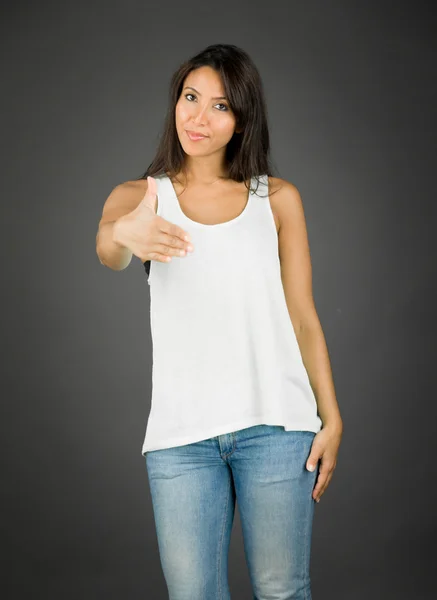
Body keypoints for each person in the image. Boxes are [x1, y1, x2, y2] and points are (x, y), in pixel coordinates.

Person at [96, 43, 343, 600]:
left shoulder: (277, 200)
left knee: (283, 590)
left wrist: (332, 418)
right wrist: (122, 236)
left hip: (278, 429)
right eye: (190, 98)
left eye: (220, 106)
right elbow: (108, 246)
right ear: (175, 101)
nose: (198, 117)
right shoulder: (141, 197)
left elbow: (303, 316)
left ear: (242, 120)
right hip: (181, 440)